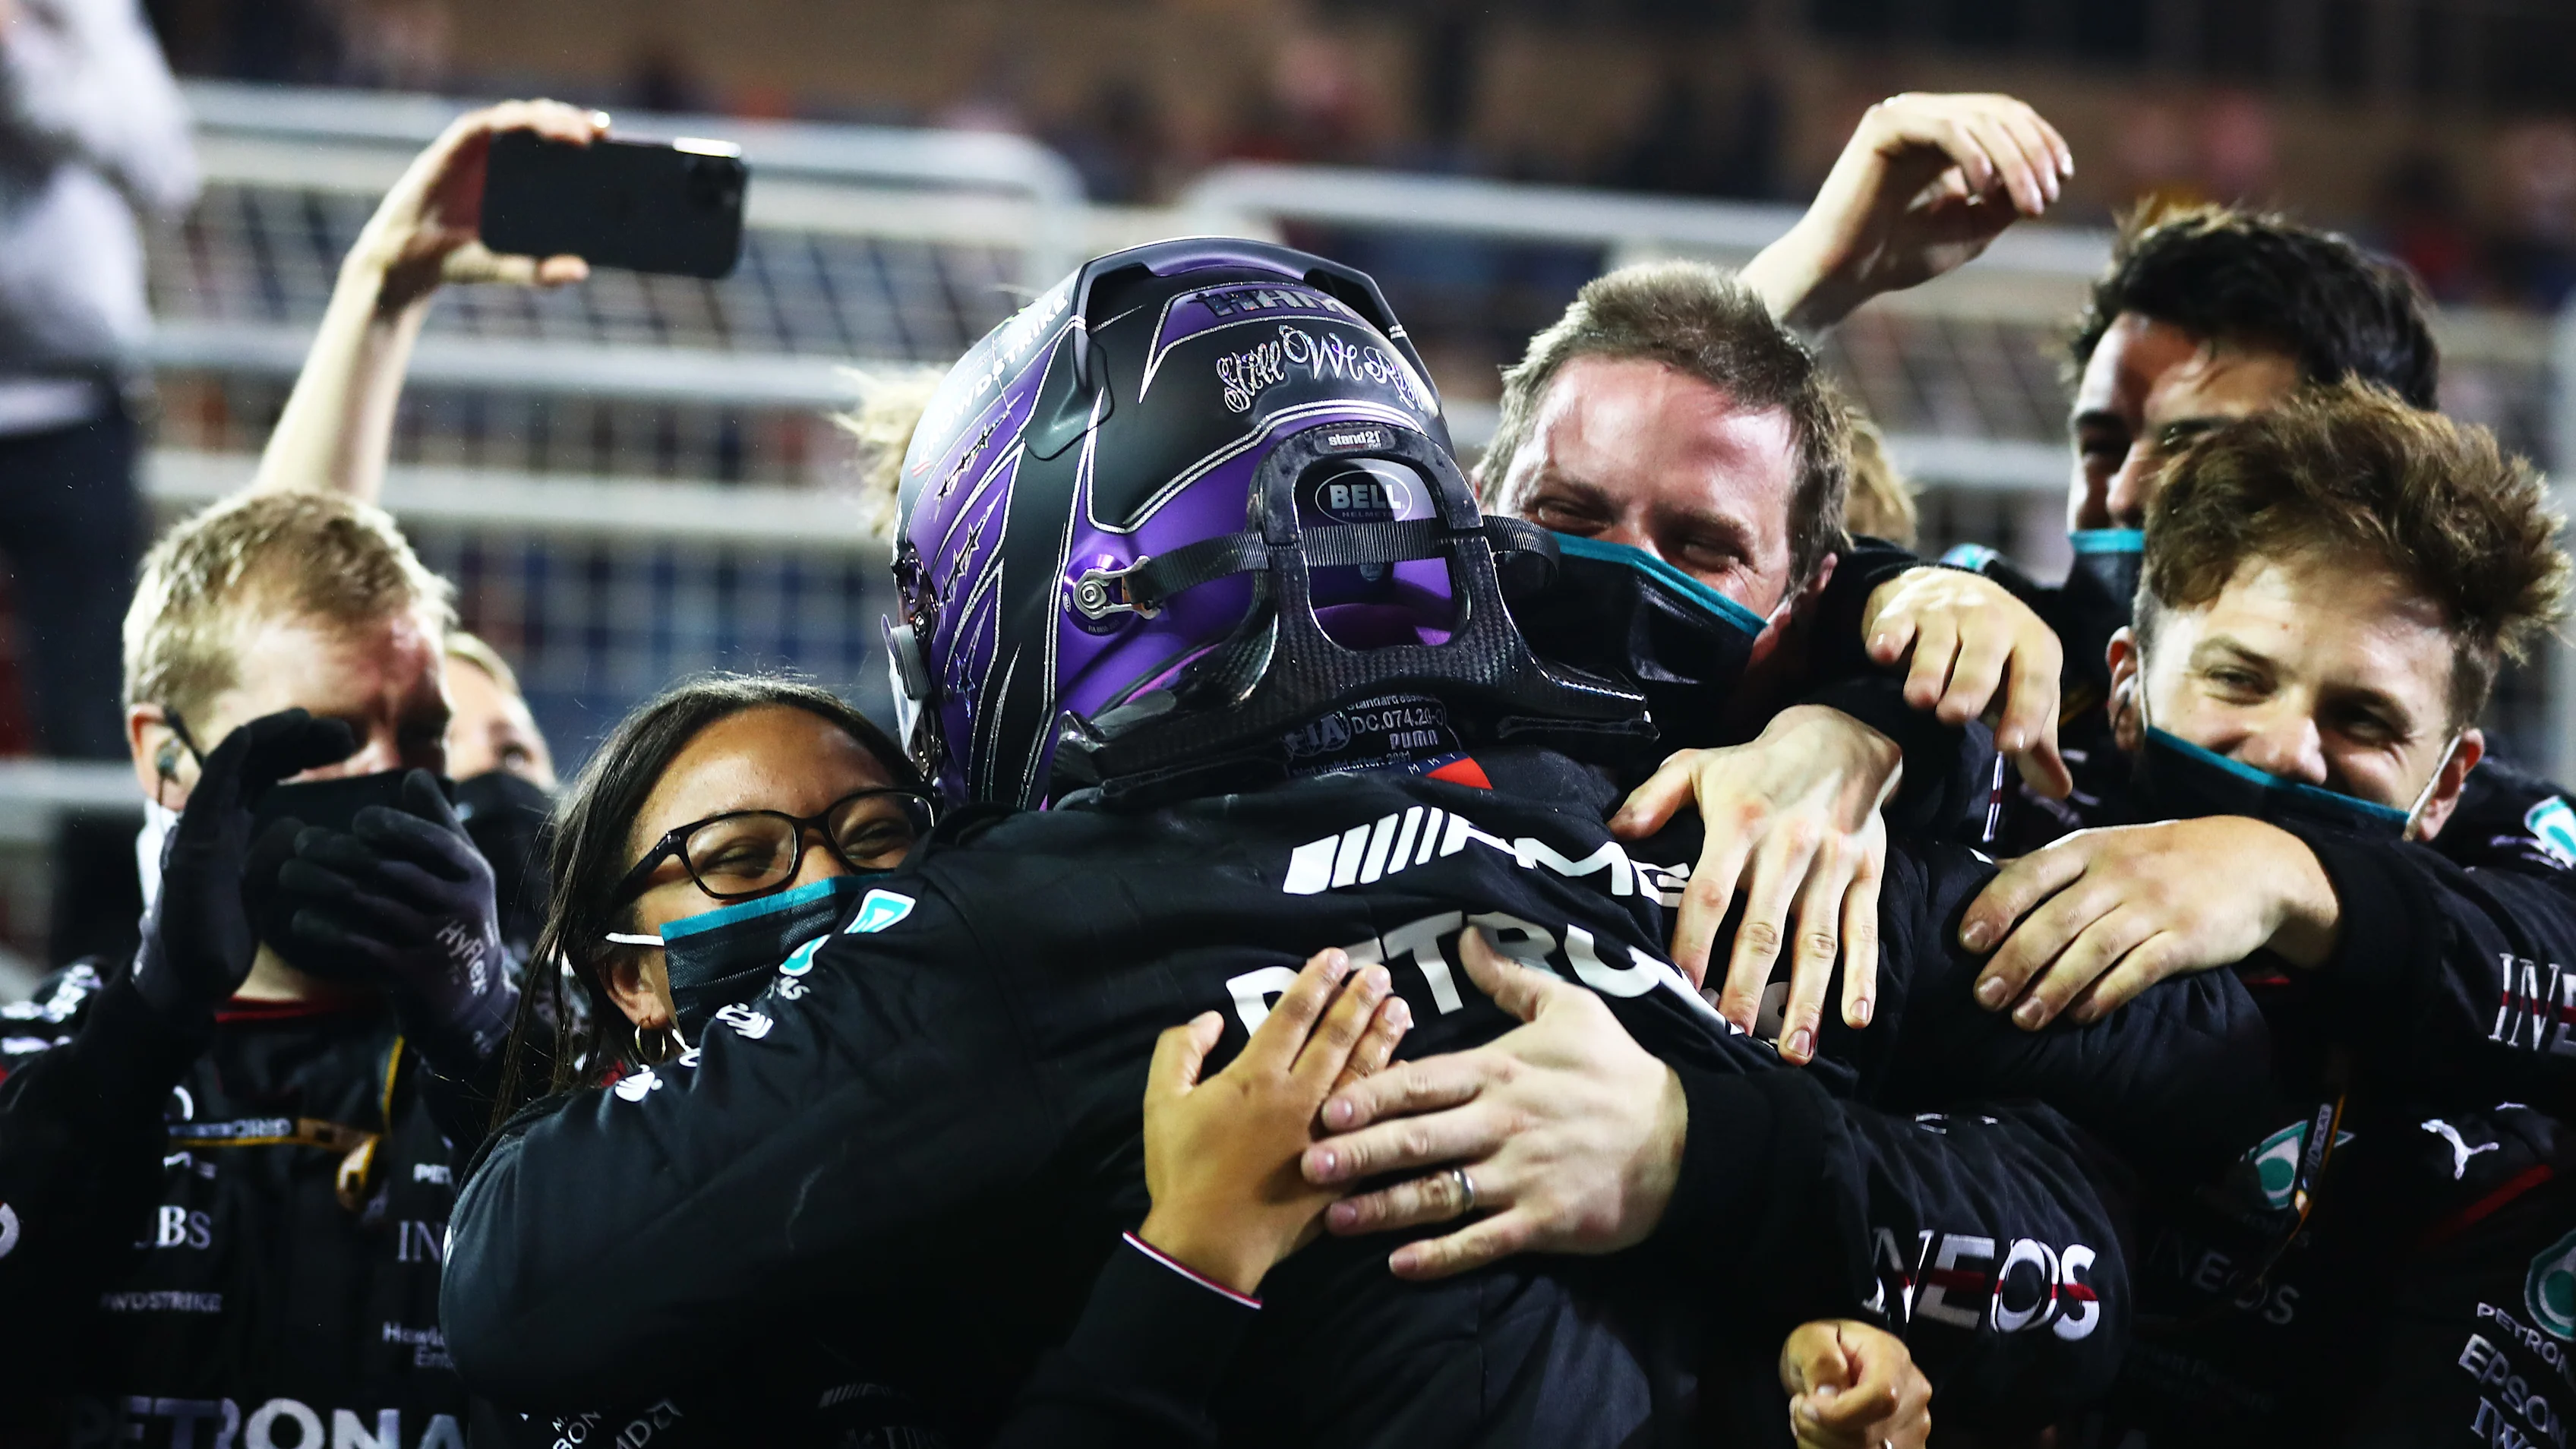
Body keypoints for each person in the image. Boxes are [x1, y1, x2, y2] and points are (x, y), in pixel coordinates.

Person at [443, 238, 2276, 1445]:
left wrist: (1699, 1153)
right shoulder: (1682, 825)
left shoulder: (1029, 920)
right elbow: (2146, 1146)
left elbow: (516, 1286)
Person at [0, 491, 519, 1444]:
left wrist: (493, 1043)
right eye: (327, 739)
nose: (398, 781)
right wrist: (147, 1024)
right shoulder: (42, 1054)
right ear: (168, 761)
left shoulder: (556, 1043)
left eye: (423, 737)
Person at [0, 0, 194, 759]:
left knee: (93, 711)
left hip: (72, 404)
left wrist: (23, 55)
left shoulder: (89, 16)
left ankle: (103, 883)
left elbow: (167, 167)